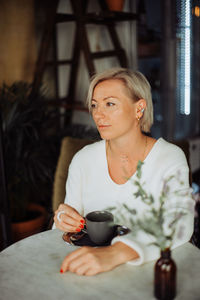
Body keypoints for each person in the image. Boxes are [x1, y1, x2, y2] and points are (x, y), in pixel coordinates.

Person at [53, 67, 194, 276]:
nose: (98, 114)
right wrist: (64, 219)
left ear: (139, 109)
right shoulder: (83, 159)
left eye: (110, 104)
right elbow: (68, 227)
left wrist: (116, 253)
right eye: (94, 105)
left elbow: (180, 223)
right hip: (90, 273)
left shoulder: (170, 158)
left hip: (148, 274)